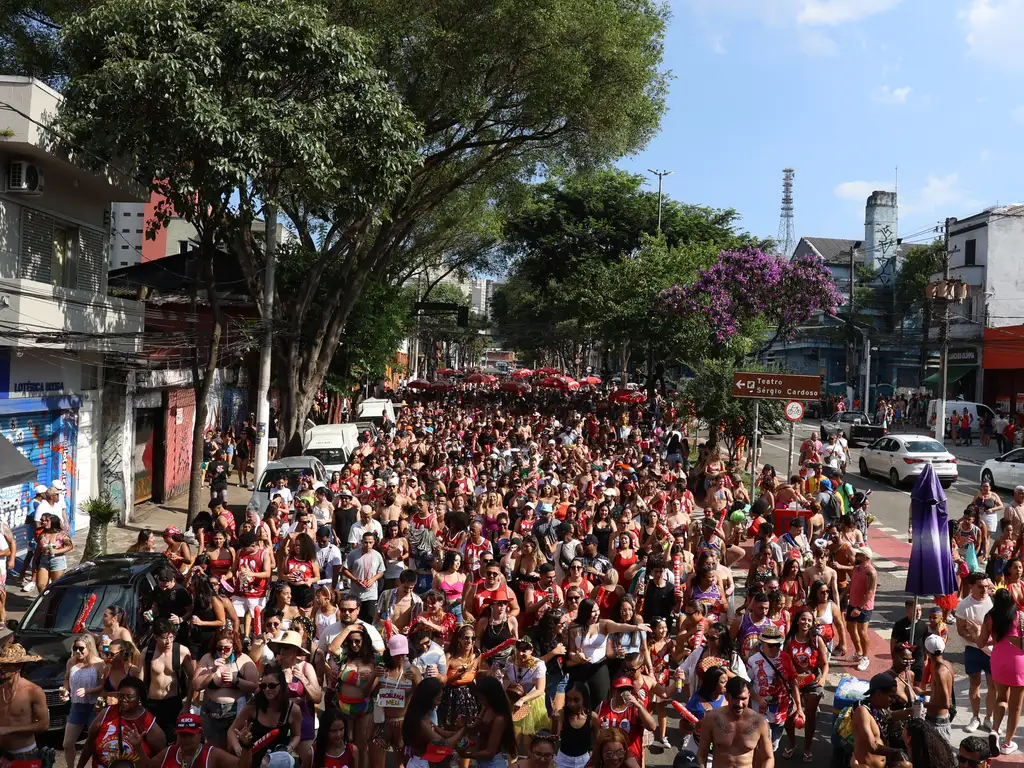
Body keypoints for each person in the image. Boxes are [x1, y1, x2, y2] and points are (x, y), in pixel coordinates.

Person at [192, 628, 259, 749]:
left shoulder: (243, 660)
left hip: (236, 712)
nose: (223, 651)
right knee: (213, 749)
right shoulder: (207, 658)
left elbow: (255, 687)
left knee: (233, 750)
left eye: (227, 648)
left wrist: (236, 680)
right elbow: (196, 685)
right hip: (212, 711)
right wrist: (212, 672)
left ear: (234, 646)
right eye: (219, 648)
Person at [78, 676, 165, 768]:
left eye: (129, 696)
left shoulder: (147, 722)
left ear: (139, 698)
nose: (124, 699)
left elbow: (162, 757)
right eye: (121, 695)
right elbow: (89, 744)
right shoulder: (107, 713)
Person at [226, 663, 303, 767]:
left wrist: (290, 747)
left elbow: (296, 735)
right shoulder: (253, 706)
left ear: (282, 685)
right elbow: (232, 730)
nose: (267, 689)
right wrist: (238, 747)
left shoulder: (293, 710)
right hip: (252, 759)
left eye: (272, 685)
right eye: (263, 686)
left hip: (277, 762)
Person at [977, 588, 1024, 754]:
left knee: (1001, 698)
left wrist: (980, 634)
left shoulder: (989, 617)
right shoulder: (1019, 616)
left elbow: (980, 643)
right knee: (1016, 707)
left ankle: (995, 730)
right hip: (1018, 661)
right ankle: (1007, 744)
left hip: (998, 660)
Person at [696, 677, 774, 768]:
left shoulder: (760, 723)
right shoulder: (711, 719)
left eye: (743, 698)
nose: (739, 704)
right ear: (726, 696)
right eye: (735, 698)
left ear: (749, 695)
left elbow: (768, 758)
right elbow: (701, 755)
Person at [142, 619, 195, 744]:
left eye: (171, 637)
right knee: (151, 741)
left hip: (173, 702)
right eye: (164, 638)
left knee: (171, 740)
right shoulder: (148, 652)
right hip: (152, 702)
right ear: (155, 637)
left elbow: (193, 678)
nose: (168, 642)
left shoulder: (181, 651)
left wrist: (187, 704)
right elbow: (141, 679)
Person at [956, 572, 996, 733]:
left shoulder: (994, 603)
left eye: (986, 586)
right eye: (980, 587)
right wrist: (976, 638)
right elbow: (960, 630)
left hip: (992, 651)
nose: (984, 590)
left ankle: (989, 718)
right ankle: (975, 717)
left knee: (993, 686)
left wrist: (983, 638)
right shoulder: (963, 605)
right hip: (973, 650)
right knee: (974, 685)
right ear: (971, 587)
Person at [850, 673, 917, 768]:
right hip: (867, 766)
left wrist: (910, 712)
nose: (893, 700)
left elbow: (889, 716)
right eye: (891, 696)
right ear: (878, 693)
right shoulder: (862, 711)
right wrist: (896, 752)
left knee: (907, 765)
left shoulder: (878, 709)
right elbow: (872, 746)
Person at [132, 713, 235, 768]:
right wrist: (137, 747)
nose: (185, 739)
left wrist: (245, 747)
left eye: (190, 735)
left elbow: (242, 765)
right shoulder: (169, 752)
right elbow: (147, 766)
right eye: (182, 735)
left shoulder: (212, 754)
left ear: (200, 734)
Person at [63, 633, 105, 768]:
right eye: (75, 648)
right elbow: (66, 679)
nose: (77, 652)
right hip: (76, 706)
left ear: (89, 648)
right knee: (67, 744)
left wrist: (88, 691)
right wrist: (65, 691)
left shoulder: (99, 663)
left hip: (93, 707)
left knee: (95, 745)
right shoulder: (71, 661)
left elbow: (103, 686)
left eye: (81, 649)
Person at [343, 532, 385, 624]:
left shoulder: (377, 555)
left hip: (371, 593)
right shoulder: (353, 554)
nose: (368, 545)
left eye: (370, 542)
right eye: (365, 542)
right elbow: (344, 569)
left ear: (374, 542)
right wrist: (355, 580)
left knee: (369, 619)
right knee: (355, 619)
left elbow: (381, 571)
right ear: (362, 542)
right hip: (356, 593)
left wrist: (373, 580)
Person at [553, 682, 598, 768]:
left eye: (576, 700)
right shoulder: (562, 714)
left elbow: (597, 743)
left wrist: (593, 761)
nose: (572, 704)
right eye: (569, 699)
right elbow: (555, 736)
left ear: (584, 699)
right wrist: (555, 720)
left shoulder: (592, 717)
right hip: (563, 760)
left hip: (584, 761)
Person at [847, 546, 877, 672]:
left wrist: (859, 608)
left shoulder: (871, 572)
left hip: (863, 607)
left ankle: (865, 657)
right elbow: (853, 584)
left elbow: (870, 592)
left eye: (859, 554)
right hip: (852, 603)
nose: (856, 556)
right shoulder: (857, 568)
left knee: (862, 632)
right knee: (849, 627)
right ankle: (858, 652)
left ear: (865, 557)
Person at [924, 635, 955, 743]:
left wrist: (922, 705)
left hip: (937, 722)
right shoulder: (947, 664)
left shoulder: (939, 672)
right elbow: (940, 692)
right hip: (939, 720)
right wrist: (923, 692)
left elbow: (946, 704)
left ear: (927, 651)